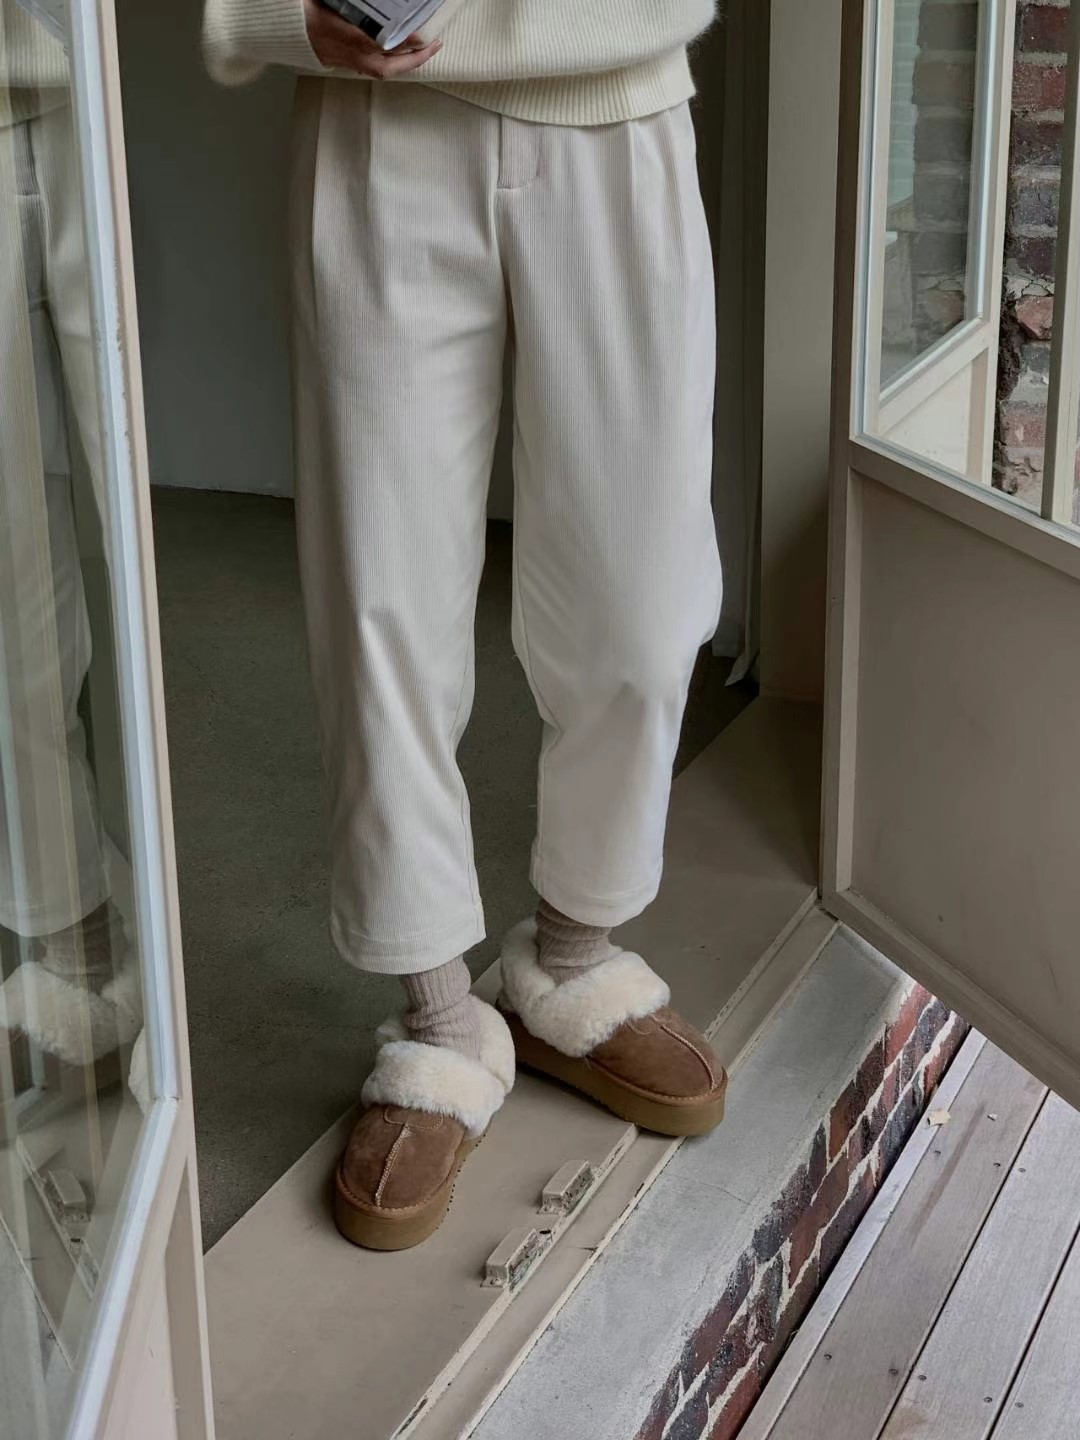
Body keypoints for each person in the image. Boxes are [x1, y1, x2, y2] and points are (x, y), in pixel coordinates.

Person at [203, 0, 727, 1251]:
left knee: (644, 604)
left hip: (617, 102)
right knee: (378, 599)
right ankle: (439, 1021)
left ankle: (574, 959)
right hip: (379, 120)